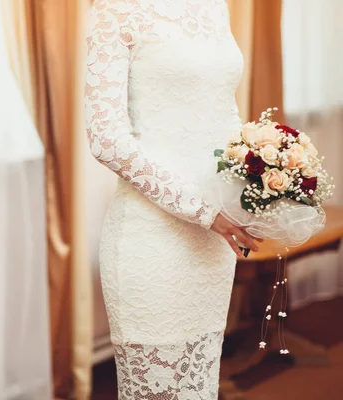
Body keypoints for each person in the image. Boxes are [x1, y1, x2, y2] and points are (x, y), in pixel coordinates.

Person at [85, 0, 261, 398]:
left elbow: (224, 110)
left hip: (213, 246)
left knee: (199, 386)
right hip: (152, 238)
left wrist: (251, 183)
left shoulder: (216, 6)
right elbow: (106, 141)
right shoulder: (114, 10)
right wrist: (203, 209)